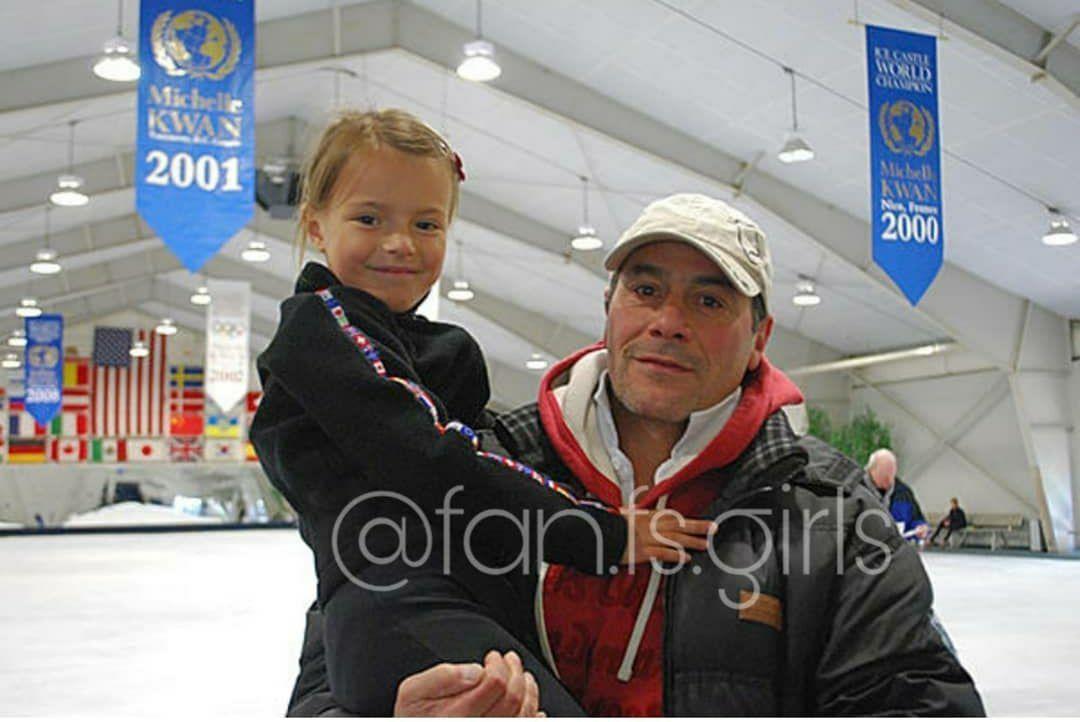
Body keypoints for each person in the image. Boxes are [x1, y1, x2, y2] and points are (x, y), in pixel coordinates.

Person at [293, 193, 985, 715]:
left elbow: (917, 699)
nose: (668, 322)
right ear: (610, 305)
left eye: (709, 301)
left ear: (760, 337)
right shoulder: (482, 466)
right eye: (646, 290)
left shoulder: (832, 513)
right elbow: (330, 672)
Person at [250, 110, 712, 716]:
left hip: (455, 605)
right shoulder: (322, 329)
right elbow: (434, 458)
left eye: (426, 224)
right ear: (316, 225)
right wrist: (603, 533)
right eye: (369, 219)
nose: (400, 243)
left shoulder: (432, 351)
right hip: (403, 610)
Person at [866, 448, 930, 541]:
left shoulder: (904, 492)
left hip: (897, 546)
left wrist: (921, 528)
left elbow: (916, 518)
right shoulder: (856, 491)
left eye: (891, 475)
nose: (889, 480)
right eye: (884, 475)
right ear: (871, 470)